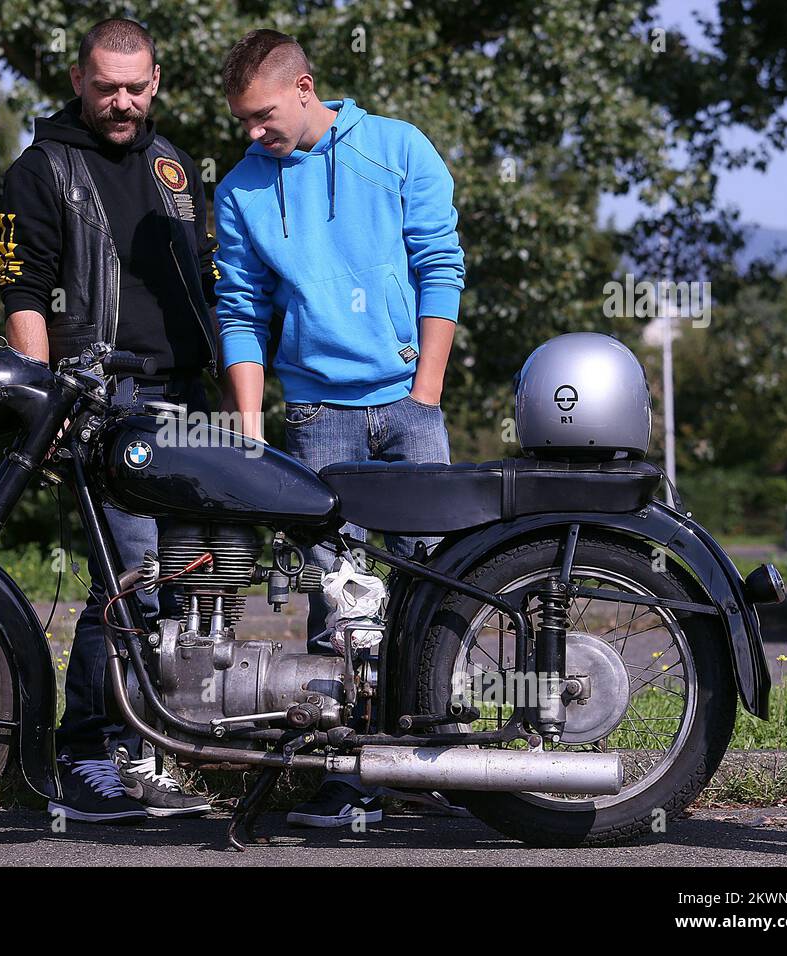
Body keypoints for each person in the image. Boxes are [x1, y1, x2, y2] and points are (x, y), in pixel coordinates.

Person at [213, 29, 466, 827]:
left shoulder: (395, 147)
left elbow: (441, 263)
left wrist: (424, 394)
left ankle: (440, 766)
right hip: (319, 418)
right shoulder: (241, 190)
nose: (254, 134)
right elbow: (242, 311)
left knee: (435, 586)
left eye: (261, 117)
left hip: (407, 407)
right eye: (242, 122)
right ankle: (349, 774)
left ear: (303, 87)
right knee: (338, 598)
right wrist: (252, 433)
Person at [0, 18, 219, 823]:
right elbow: (25, 294)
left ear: (156, 80)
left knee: (195, 588)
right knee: (128, 588)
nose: (122, 102)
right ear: (77, 79)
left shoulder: (176, 169)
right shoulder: (42, 169)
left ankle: (151, 749)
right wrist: (42, 400)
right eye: (105, 87)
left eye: (136, 86)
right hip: (105, 399)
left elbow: (207, 277)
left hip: (190, 404)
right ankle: (85, 754)